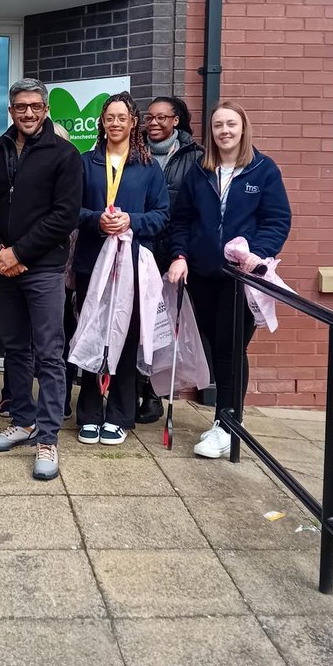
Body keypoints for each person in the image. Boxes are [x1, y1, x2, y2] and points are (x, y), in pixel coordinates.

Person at [167, 99, 291, 459]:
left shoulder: (263, 170)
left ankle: (227, 423)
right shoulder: (200, 171)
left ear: (243, 128)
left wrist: (257, 253)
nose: (224, 131)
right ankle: (226, 419)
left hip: (241, 277)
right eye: (218, 125)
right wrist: (179, 255)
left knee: (230, 347)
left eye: (231, 125)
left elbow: (277, 220)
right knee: (217, 343)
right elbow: (182, 220)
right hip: (203, 275)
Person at [0, 79, 82, 481]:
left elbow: (65, 215)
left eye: (36, 106)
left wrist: (19, 253)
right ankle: (22, 420)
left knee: (49, 353)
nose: (29, 113)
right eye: (21, 107)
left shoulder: (65, 154)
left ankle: (48, 437)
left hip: (43, 270)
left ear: (46, 108)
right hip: (2, 267)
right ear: (11, 110)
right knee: (16, 348)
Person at [73, 92, 169, 447]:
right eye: (109, 117)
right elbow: (70, 211)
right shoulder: (86, 163)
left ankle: (118, 414)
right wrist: (98, 220)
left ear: (133, 123)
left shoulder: (148, 168)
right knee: (92, 331)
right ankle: (89, 413)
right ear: (102, 123)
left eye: (121, 117)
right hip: (91, 262)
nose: (115, 123)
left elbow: (162, 215)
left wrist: (133, 221)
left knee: (126, 338)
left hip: (131, 263)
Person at [138, 95, 204, 424]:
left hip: (175, 255)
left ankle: (154, 392)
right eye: (149, 117)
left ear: (176, 120)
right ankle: (137, 387)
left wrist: (184, 253)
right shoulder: (136, 152)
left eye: (162, 117)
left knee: (165, 326)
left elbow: (197, 211)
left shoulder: (194, 157)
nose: (154, 123)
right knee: (140, 322)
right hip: (143, 249)